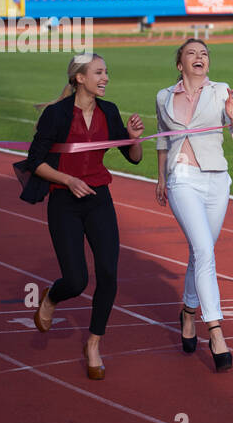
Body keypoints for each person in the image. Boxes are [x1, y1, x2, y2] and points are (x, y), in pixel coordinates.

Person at [26, 53, 144, 379]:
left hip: (98, 199)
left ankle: (93, 343)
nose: (105, 78)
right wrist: (68, 180)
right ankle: (51, 297)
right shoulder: (57, 114)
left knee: (108, 272)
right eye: (98, 72)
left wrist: (134, 139)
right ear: (80, 78)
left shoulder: (110, 111)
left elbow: (133, 157)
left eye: (106, 72)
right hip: (64, 201)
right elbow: (35, 162)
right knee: (76, 281)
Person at [155, 38, 233, 372]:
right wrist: (162, 177)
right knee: (206, 253)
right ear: (180, 63)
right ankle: (217, 332)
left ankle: (187, 311)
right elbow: (163, 139)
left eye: (204, 54)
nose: (200, 57)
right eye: (192, 53)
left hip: (216, 179)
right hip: (182, 178)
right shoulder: (163, 97)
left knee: (201, 252)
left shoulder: (221, 91)